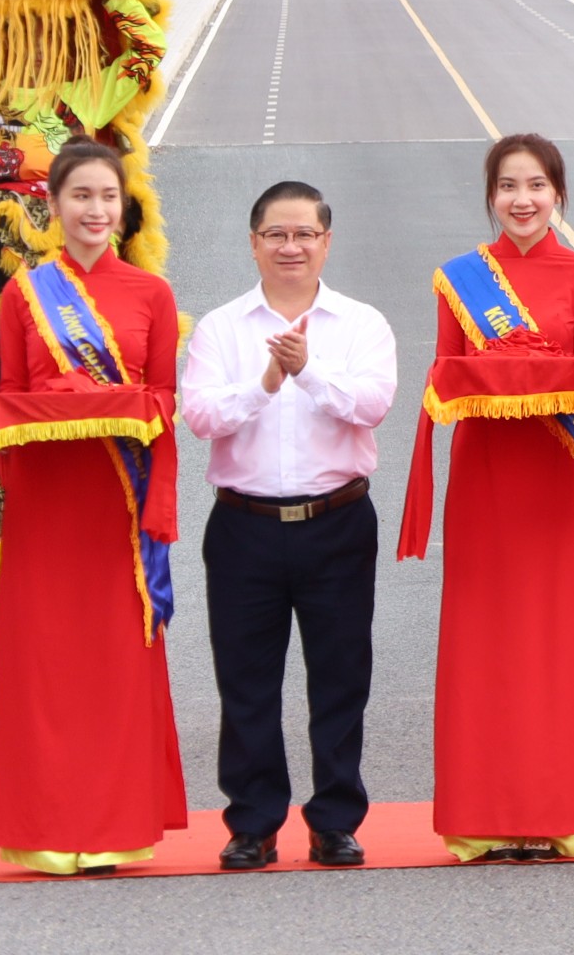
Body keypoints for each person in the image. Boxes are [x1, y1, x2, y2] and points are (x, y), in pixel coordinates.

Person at [0, 140, 186, 874]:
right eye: (81, 197)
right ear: (53, 207)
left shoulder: (151, 294)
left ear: (124, 209)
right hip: (50, 506)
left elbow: (162, 402)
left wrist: (111, 405)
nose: (96, 210)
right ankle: (48, 826)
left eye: (108, 198)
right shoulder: (28, 294)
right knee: (48, 664)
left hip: (119, 503)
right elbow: (16, 398)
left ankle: (118, 823)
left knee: (115, 662)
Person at [401, 132, 574, 862]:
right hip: (486, 477)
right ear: (491, 196)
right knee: (486, 640)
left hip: (557, 474)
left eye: (536, 186)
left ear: (558, 195)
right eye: (508, 187)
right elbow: (445, 377)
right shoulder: (461, 278)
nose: (522, 200)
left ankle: (562, 809)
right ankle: (485, 815)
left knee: (556, 637)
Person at [176, 180, 397, 869]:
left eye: (305, 234)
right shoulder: (219, 328)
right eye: (277, 234)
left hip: (337, 520)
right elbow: (202, 417)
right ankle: (253, 822)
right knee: (246, 680)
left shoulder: (361, 324)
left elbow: (373, 403)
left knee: (340, 675)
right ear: (254, 243)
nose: (291, 246)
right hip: (245, 525)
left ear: (327, 242)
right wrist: (266, 383)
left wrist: (309, 373)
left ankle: (335, 819)